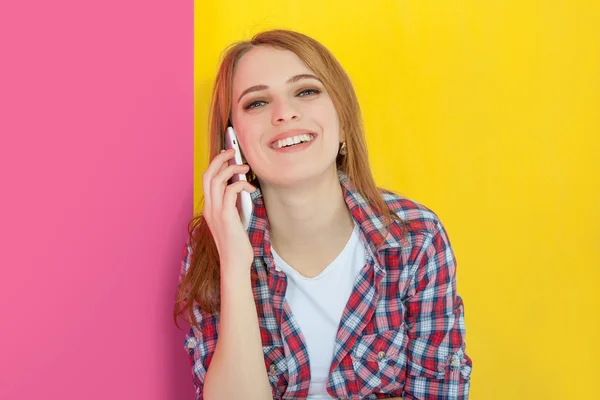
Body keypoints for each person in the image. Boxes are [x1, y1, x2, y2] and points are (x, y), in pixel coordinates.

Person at [173, 29, 472, 400]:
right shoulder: (213, 245)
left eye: (306, 91)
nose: (285, 114)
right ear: (234, 144)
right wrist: (235, 264)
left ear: (343, 120)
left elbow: (439, 390)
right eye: (257, 103)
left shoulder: (416, 237)